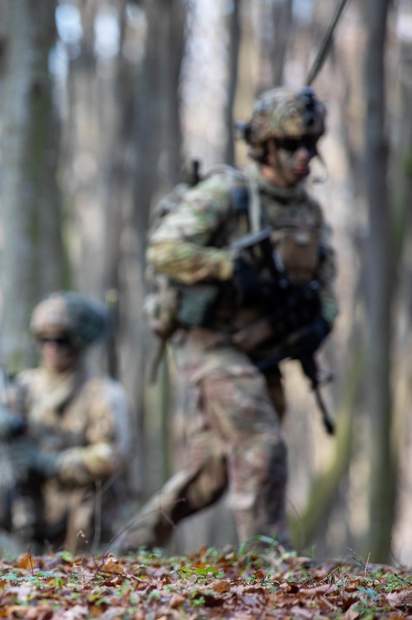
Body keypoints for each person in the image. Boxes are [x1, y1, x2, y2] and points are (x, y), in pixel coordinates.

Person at [116, 87, 338, 552]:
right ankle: (265, 562)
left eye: (311, 145)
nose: (304, 156)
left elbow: (327, 286)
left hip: (264, 348)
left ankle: (125, 550)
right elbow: (164, 248)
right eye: (292, 144)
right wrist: (228, 267)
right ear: (265, 146)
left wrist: (319, 324)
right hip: (209, 339)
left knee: (211, 473)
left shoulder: (309, 212)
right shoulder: (228, 193)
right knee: (261, 441)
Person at [0, 292, 132, 557]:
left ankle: (80, 581)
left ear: (79, 341)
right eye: (44, 339)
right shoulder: (25, 385)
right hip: (27, 492)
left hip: (76, 497)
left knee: (86, 516)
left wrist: (50, 463)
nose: (52, 347)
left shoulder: (103, 394)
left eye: (61, 340)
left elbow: (111, 456)